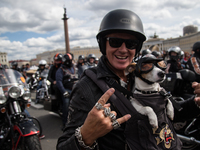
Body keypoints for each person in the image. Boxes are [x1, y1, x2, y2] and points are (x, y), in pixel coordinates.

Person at [57, 9, 200, 150]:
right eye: (115, 42)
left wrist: (196, 103)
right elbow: (63, 145)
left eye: (131, 44)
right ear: (103, 44)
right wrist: (86, 136)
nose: (123, 49)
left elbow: (169, 115)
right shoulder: (86, 86)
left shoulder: (144, 74)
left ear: (136, 48)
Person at [56, 53, 78, 129]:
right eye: (69, 61)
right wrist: (64, 91)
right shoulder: (60, 70)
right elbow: (59, 82)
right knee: (66, 103)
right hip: (67, 90)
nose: (70, 62)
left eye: (71, 60)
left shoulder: (74, 68)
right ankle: (65, 123)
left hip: (76, 89)